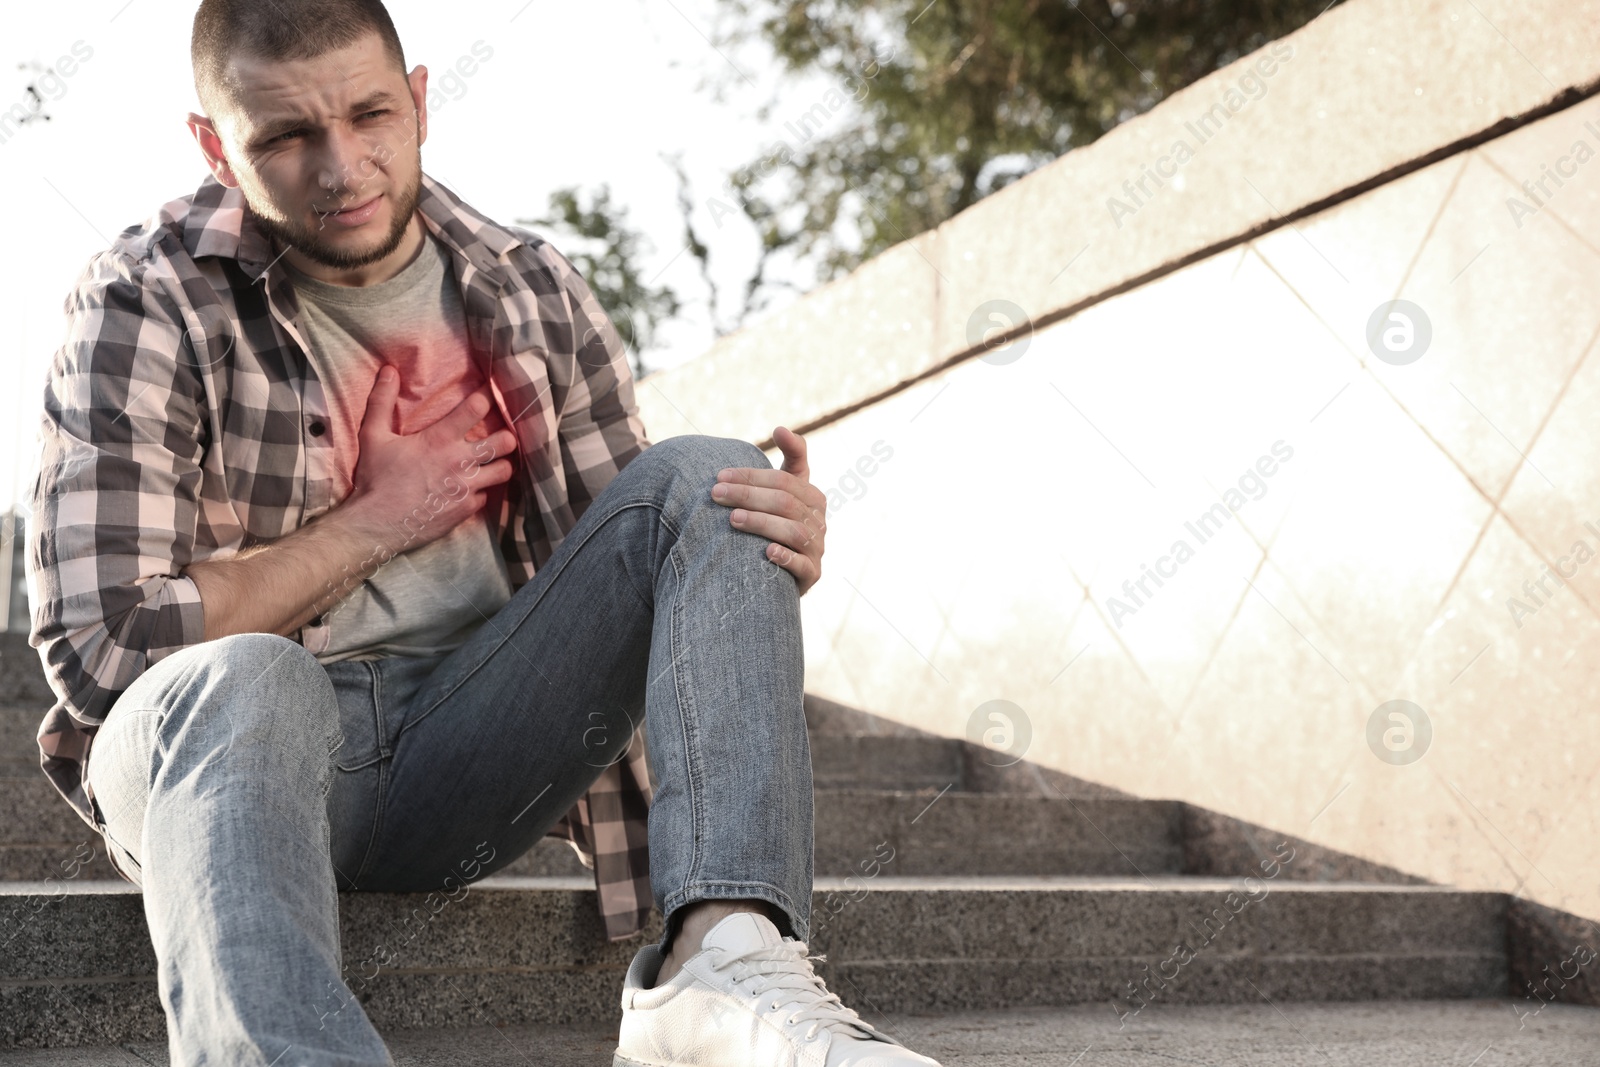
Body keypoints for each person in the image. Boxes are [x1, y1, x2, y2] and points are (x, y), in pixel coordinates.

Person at [23, 2, 943, 1065]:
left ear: (418, 101)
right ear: (211, 146)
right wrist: (375, 521)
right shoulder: (143, 298)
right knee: (245, 677)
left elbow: (634, 580)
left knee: (707, 478)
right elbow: (103, 650)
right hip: (226, 765)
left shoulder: (533, 286)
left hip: (463, 749)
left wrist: (747, 550)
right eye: (284, 135)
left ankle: (717, 964)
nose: (341, 165)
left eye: (369, 114)